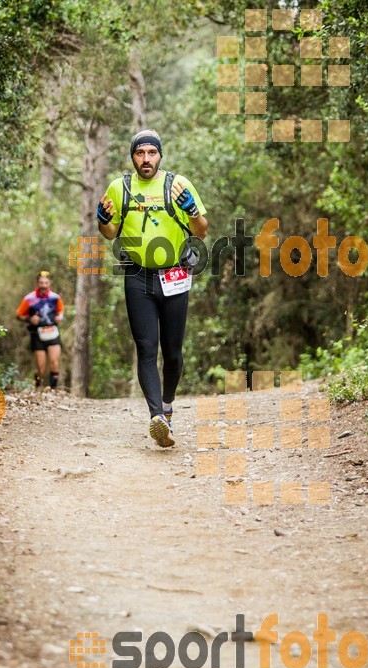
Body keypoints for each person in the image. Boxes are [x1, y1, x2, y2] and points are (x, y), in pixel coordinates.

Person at [97, 129, 208, 447]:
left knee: (172, 354)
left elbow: (201, 231)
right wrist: (103, 220)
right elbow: (109, 233)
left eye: (152, 153)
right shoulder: (120, 188)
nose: (146, 159)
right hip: (137, 276)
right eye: (140, 153)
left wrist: (191, 210)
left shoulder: (179, 185)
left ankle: (168, 405)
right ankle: (156, 416)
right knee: (146, 349)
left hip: (174, 277)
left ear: (160, 155)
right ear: (132, 157)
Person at [16, 271, 64, 389]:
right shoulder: (29, 298)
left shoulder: (55, 298)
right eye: (41, 282)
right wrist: (30, 319)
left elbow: (60, 311)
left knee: (54, 363)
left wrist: (59, 317)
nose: (44, 285)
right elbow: (18, 315)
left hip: (52, 332)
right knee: (41, 368)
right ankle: (38, 387)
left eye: (46, 282)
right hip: (37, 334)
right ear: (37, 283)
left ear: (49, 283)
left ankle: (53, 391)